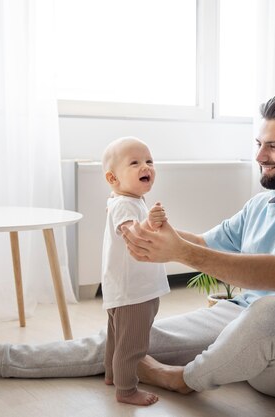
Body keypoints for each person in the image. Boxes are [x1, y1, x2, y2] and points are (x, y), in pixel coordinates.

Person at [0, 92, 275, 402]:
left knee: (274, 309)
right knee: (131, 337)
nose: (260, 156)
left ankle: (183, 379)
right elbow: (201, 243)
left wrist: (180, 252)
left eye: (274, 146)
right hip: (237, 319)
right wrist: (157, 237)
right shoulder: (262, 205)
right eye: (258, 144)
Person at [99, 136, 170, 405]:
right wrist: (151, 224)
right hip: (134, 291)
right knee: (133, 344)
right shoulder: (125, 205)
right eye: (135, 163)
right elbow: (131, 233)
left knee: (117, 336)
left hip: (123, 288)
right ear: (113, 178)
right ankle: (126, 389)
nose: (146, 167)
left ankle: (111, 373)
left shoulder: (127, 200)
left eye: (149, 161)